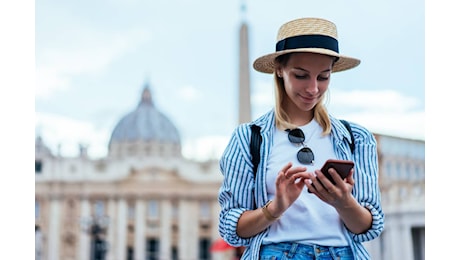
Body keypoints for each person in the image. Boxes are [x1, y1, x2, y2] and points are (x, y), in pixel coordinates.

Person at [218, 17, 384, 260]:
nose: (313, 89)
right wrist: (275, 208)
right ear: (279, 70)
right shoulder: (247, 138)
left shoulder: (357, 138)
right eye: (301, 75)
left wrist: (343, 202)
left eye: (324, 77)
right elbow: (231, 230)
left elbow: (368, 228)